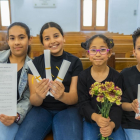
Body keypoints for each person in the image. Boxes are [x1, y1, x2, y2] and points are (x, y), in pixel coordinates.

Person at [15, 22, 83, 140]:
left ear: (63, 38)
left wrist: (62, 96)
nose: (52, 41)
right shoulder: (35, 64)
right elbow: (34, 100)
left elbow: (74, 98)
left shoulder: (75, 61)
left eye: (56, 36)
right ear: (43, 43)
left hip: (67, 109)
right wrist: (39, 96)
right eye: (47, 38)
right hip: (41, 109)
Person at [77, 34, 125, 140]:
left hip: (111, 120)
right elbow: (83, 104)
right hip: (91, 118)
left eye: (102, 50)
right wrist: (96, 117)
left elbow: (117, 105)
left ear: (109, 53)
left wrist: (111, 125)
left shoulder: (116, 77)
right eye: (93, 50)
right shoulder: (83, 76)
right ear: (87, 54)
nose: (98, 54)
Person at [0, 22, 32, 140]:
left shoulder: (32, 67)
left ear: (29, 40)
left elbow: (27, 98)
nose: (17, 42)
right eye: (12, 38)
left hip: (10, 116)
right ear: (8, 41)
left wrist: (16, 115)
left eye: (21, 37)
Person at [121, 28, 140, 140]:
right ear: (134, 51)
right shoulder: (126, 74)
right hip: (133, 125)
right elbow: (121, 104)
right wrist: (132, 106)